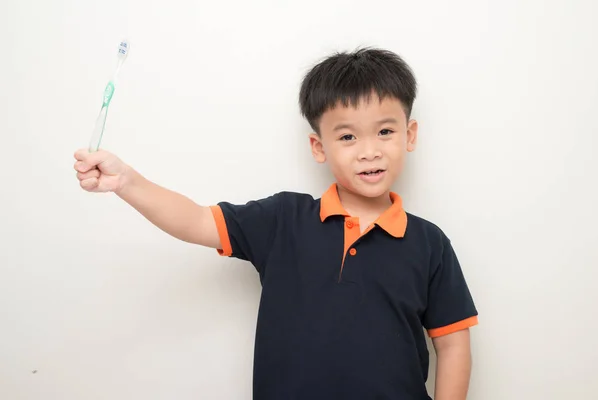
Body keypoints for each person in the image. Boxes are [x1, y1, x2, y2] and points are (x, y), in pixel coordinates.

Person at [74, 47, 478, 400]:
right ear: (319, 146)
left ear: (409, 135)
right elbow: (196, 220)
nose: (368, 152)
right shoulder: (282, 220)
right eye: (348, 137)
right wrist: (126, 181)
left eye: (385, 131)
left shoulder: (430, 243)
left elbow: (453, 344)